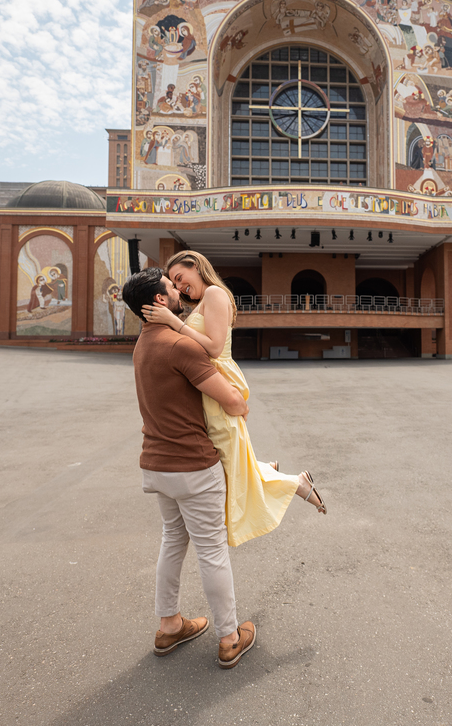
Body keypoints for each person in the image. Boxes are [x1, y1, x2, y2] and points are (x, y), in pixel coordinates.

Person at [142, 250, 327, 547]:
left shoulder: (215, 293)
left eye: (180, 278)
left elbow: (214, 349)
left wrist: (173, 322)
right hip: (207, 384)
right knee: (227, 461)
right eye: (174, 284)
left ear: (196, 266)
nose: (179, 287)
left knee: (227, 464)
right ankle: (272, 472)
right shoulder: (203, 301)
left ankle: (293, 482)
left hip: (217, 382)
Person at [123, 267, 257, 668]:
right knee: (212, 551)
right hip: (193, 466)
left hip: (156, 466)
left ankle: (169, 626)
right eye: (171, 286)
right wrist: (239, 402)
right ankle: (230, 637)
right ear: (160, 301)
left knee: (172, 541)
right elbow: (233, 402)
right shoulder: (180, 346)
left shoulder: (142, 345)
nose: (179, 289)